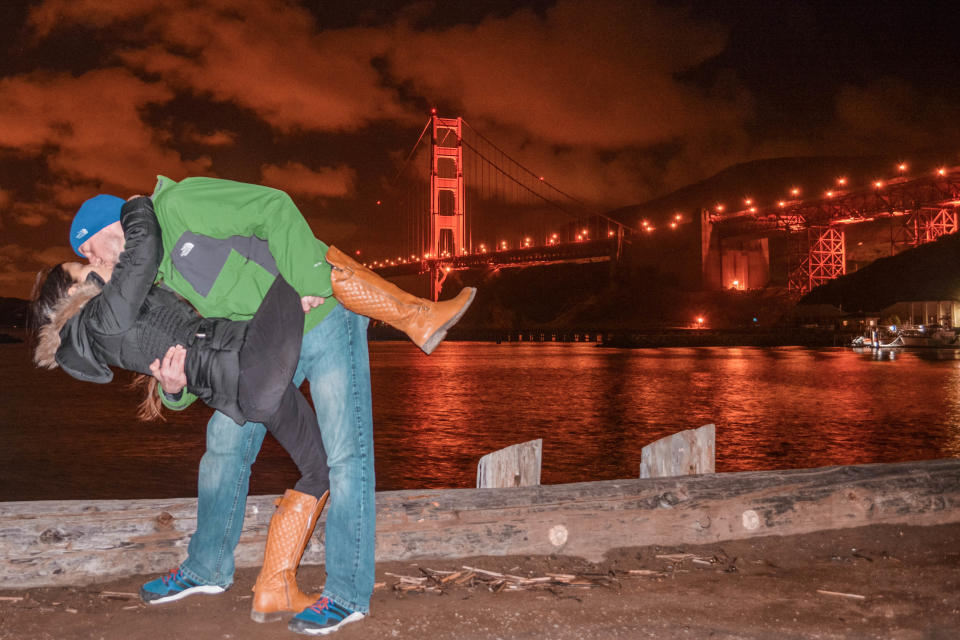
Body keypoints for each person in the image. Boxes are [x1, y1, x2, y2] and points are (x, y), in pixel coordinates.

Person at [63, 177, 475, 635]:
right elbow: (197, 355)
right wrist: (173, 389)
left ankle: (346, 593)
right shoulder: (154, 279)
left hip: (322, 320)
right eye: (88, 259)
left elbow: (273, 206)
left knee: (345, 456)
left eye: (92, 248)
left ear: (118, 221)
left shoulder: (179, 204)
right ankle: (207, 568)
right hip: (260, 349)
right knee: (222, 446)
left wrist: (312, 280)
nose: (96, 261)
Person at [33, 195, 332, 622]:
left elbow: (195, 339)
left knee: (319, 469)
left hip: (243, 383)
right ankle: (418, 316)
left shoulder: (121, 313)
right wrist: (137, 207)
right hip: (245, 369)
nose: (94, 267)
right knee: (311, 261)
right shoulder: (100, 318)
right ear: (72, 297)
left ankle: (274, 587)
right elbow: (144, 253)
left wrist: (282, 314)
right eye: (83, 270)